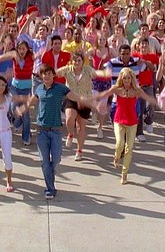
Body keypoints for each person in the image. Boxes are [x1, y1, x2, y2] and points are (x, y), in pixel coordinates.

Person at [18, 64, 92, 199]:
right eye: (44, 74)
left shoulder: (60, 88)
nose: (46, 76)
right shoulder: (39, 89)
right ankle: (50, 189)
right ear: (41, 76)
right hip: (41, 131)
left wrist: (85, 100)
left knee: (56, 159)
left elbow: (74, 96)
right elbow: (32, 101)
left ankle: (49, 175)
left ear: (53, 75)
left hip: (56, 131)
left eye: (48, 73)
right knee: (44, 162)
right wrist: (21, 109)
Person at [95, 67, 156, 185]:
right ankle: (117, 156)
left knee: (129, 148)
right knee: (120, 143)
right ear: (121, 79)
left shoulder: (137, 90)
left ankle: (124, 173)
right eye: (124, 78)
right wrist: (90, 98)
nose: (127, 80)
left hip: (132, 121)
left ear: (132, 79)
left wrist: (162, 103)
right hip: (119, 120)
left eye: (128, 78)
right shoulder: (117, 89)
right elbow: (104, 94)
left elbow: (149, 98)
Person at [57, 52, 110, 161]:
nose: (77, 63)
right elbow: (55, 72)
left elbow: (96, 73)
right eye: (75, 60)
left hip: (85, 100)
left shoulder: (87, 70)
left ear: (82, 61)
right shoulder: (67, 69)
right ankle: (70, 134)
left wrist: (105, 73)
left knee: (81, 127)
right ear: (72, 61)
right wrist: (44, 72)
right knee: (69, 119)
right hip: (71, 98)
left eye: (79, 60)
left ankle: (79, 150)